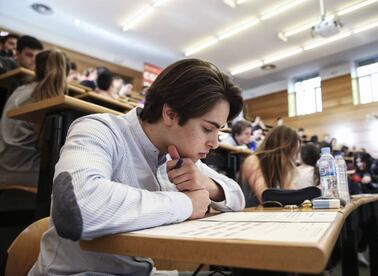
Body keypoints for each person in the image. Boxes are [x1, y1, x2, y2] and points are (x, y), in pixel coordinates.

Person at [29, 58, 245, 275]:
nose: (215, 143)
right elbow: (77, 209)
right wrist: (187, 203)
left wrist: (206, 184)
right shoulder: (98, 130)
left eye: (219, 132)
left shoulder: (178, 154)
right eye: (208, 129)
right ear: (170, 114)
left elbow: (238, 197)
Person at [0, 49, 69, 189]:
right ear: (64, 73)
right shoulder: (45, 97)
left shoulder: (21, 90)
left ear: (36, 68)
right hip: (24, 172)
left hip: (5, 166)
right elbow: (49, 147)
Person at [241, 125, 300, 203]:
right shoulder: (253, 160)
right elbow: (265, 198)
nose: (292, 159)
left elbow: (293, 195)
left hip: (268, 213)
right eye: (291, 153)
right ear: (282, 150)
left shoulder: (280, 168)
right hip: (250, 213)